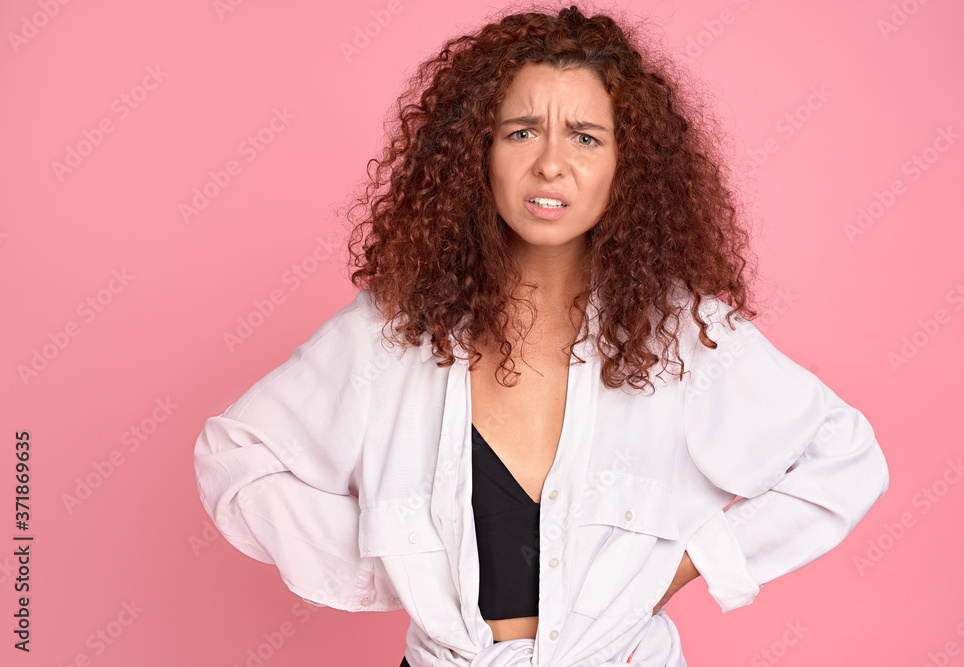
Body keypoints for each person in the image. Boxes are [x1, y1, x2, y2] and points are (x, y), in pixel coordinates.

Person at [192, 4, 890, 666]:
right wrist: (389, 557)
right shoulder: (395, 329)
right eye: (521, 131)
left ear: (628, 165)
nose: (551, 163)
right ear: (478, 152)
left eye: (585, 137)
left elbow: (845, 458)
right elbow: (236, 456)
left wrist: (693, 560)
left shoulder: (684, 334)